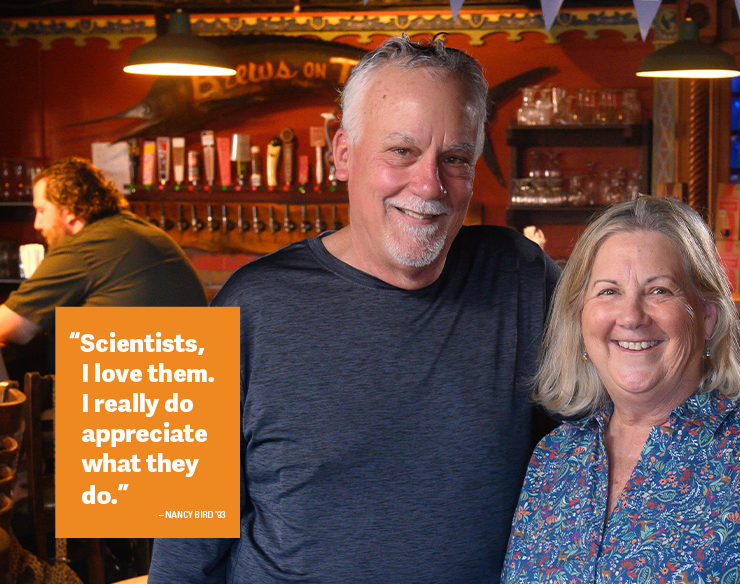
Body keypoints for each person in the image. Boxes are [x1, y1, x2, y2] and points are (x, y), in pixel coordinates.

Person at [147, 36, 560, 583]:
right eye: (402, 152)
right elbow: (184, 534)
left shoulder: (519, 278)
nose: (429, 185)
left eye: (455, 158)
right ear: (343, 154)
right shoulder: (251, 306)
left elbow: (612, 434)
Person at [502, 196, 740, 583]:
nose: (631, 316)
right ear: (579, 318)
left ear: (707, 317)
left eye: (660, 290)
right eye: (608, 291)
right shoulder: (554, 458)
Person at [0, 157, 206, 344]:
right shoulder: (134, 229)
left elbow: (13, 328)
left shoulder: (83, 249)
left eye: (42, 211)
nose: (37, 223)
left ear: (70, 210)